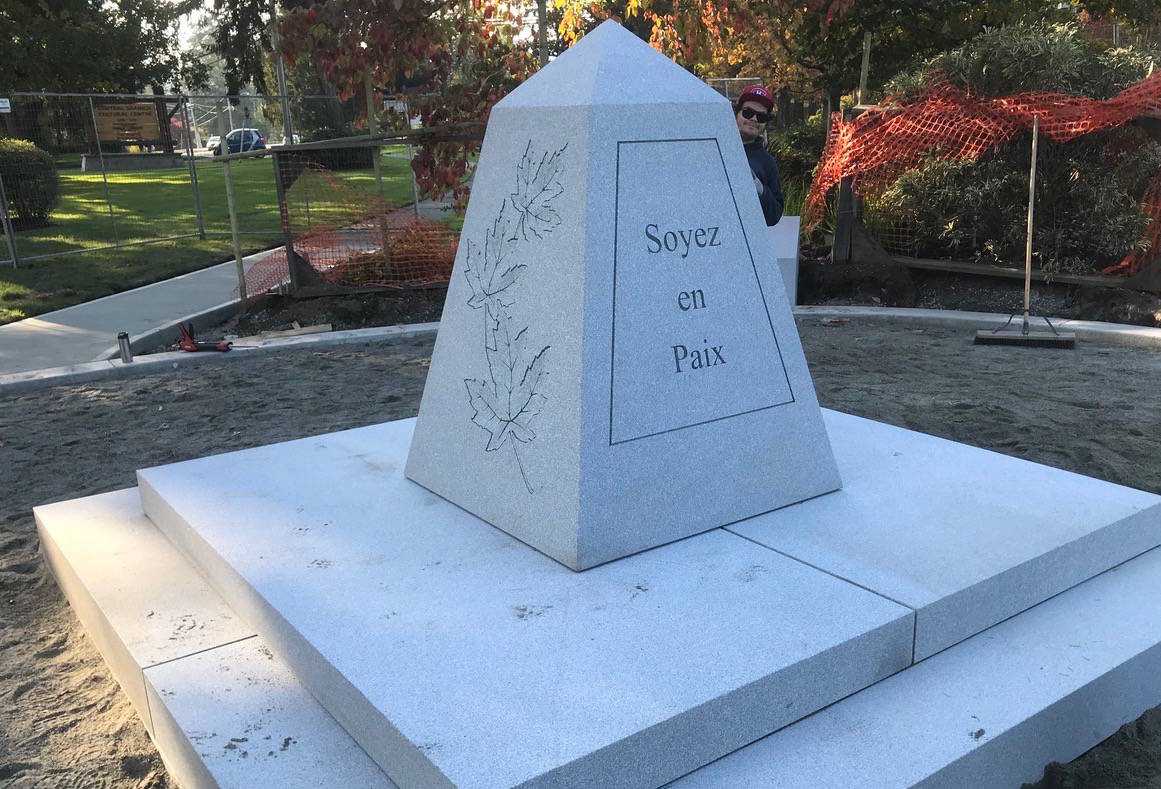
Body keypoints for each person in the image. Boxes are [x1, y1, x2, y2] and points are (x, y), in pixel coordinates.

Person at [734, 84, 784, 226]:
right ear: (736, 114)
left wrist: (760, 190)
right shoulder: (713, 148)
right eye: (748, 113)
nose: (754, 119)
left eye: (761, 117)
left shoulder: (768, 163)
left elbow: (774, 216)